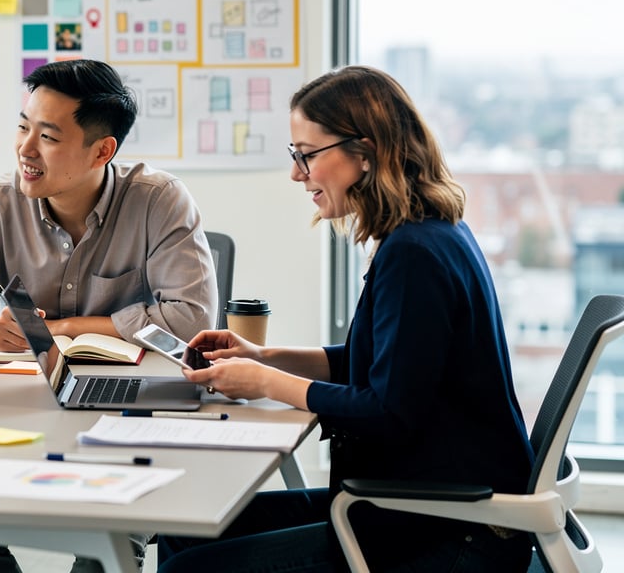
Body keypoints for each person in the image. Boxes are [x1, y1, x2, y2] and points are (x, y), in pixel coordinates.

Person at [157, 66, 534, 572]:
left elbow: (387, 413)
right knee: (185, 530)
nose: (297, 173)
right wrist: (263, 357)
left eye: (306, 155)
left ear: (365, 152)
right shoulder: (427, 233)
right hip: (419, 505)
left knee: (191, 568)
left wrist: (266, 381)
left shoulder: (414, 254)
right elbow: (383, 364)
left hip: (451, 528)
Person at [0, 59, 220, 573]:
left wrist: (63, 329)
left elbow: (188, 319)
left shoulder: (159, 201)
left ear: (103, 150)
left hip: (133, 412)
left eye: (49, 136)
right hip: (19, 407)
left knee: (112, 536)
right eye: (22, 126)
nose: (25, 149)